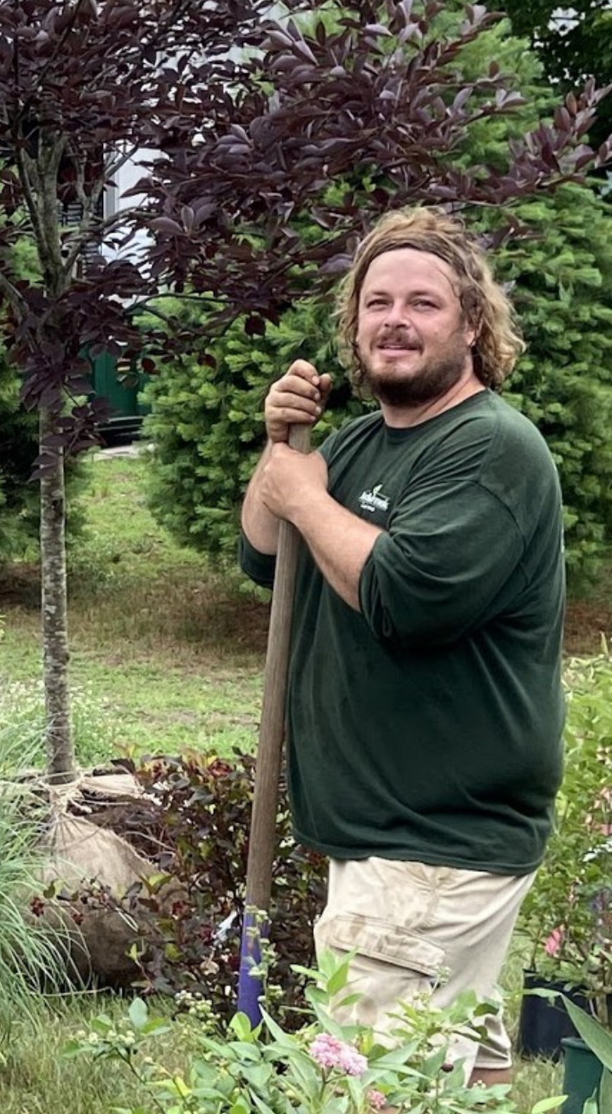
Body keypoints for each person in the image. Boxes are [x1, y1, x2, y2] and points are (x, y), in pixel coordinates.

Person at [240, 207, 565, 1083]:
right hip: (399, 846)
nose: (395, 319)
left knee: (370, 1087)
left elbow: (405, 597)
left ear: (471, 323)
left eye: (423, 302)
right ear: (354, 326)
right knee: (458, 1082)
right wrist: (281, 457)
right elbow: (270, 560)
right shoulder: (354, 444)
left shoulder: (492, 448)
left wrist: (306, 497)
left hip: (432, 850)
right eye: (376, 302)